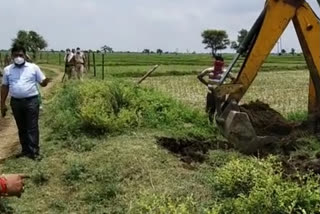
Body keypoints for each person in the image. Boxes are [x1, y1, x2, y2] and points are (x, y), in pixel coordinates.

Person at [1, 45, 52, 160]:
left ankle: (34, 152)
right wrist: (2, 103)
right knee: (21, 127)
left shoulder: (33, 68)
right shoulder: (8, 70)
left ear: (25, 55)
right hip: (16, 102)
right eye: (16, 55)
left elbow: (42, 82)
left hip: (31, 101)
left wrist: (45, 82)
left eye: (21, 55)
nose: (18, 57)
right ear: (12, 56)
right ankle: (25, 150)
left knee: (32, 126)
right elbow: (4, 87)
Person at [198, 55, 235, 123]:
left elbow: (233, 79)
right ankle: (212, 122)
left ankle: (217, 122)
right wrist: (207, 84)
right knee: (212, 109)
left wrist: (225, 87)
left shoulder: (224, 71)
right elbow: (199, 76)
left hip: (218, 93)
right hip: (213, 92)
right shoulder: (211, 70)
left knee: (218, 108)